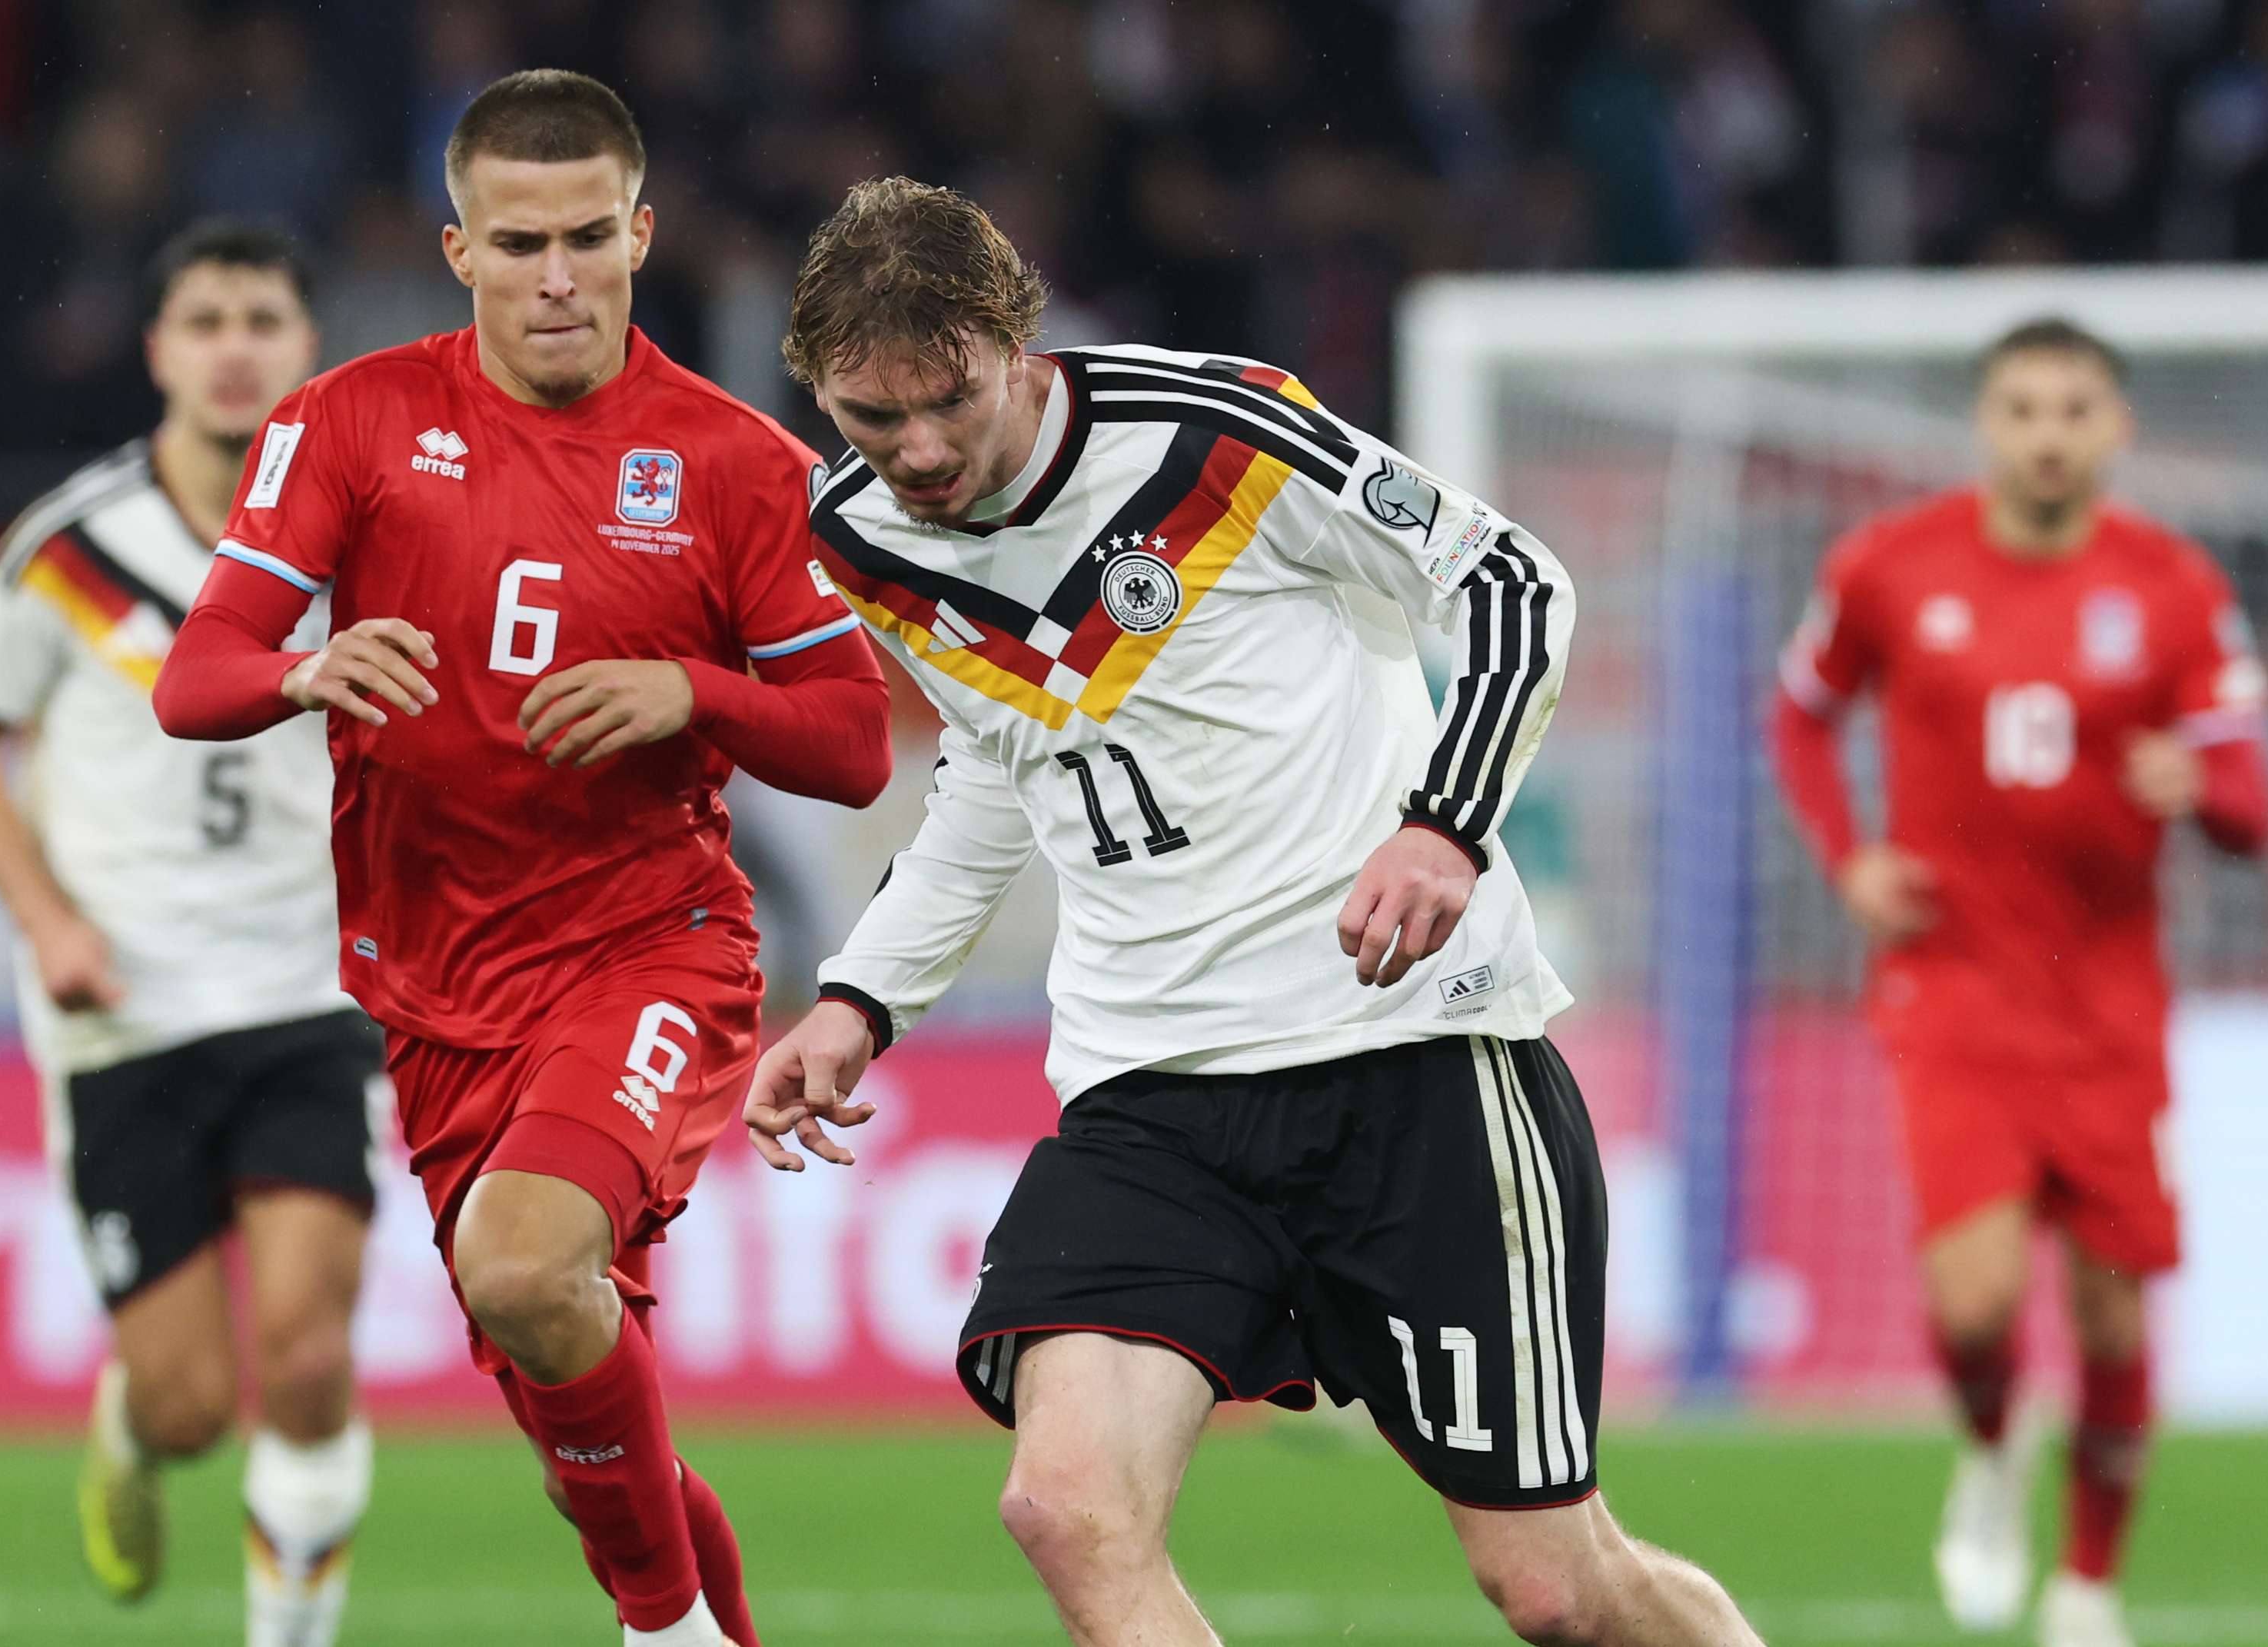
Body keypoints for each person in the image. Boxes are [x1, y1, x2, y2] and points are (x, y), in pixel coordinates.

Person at [745, 177, 1762, 1647]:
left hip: (1410, 1057)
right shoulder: (866, 533)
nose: (917, 451)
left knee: (1554, 1588)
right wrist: (860, 997)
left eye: (945, 402)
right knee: (1067, 1506)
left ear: (1016, 343)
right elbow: (996, 759)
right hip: (1149, 1088)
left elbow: (1514, 583)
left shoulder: (1217, 432)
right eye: (867, 418)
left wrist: (1445, 826)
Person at [151, 72, 892, 1647]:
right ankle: (695, 1619)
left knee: (518, 1265)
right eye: (516, 242)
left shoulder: (732, 462)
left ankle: (660, 1631)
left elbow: (849, 741)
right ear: (457, 251)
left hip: (651, 952)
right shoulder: (346, 422)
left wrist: (689, 689)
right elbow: (194, 676)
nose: (555, 276)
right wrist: (301, 669)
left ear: (640, 232)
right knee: (579, 1412)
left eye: (583, 238)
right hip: (433, 994)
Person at [1767, 319, 2268, 1647]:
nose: (2047, 433)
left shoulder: (2172, 585)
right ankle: (1992, 1453)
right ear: (1986, 425)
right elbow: (1800, 712)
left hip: (2110, 1004)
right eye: (2022, 408)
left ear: (2116, 428)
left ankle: (2090, 1585)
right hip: (1956, 988)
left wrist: (2202, 789)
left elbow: (2253, 803)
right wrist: (1849, 858)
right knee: (1975, 1299)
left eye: (2074, 409)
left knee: (2114, 1314)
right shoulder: (1889, 565)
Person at [0, 219, 376, 1647]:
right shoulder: (72, 545)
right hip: (124, 1006)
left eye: (263, 319)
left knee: (305, 1356)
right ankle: (134, 1417)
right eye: (206, 321)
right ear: (159, 351)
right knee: (190, 1407)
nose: (236, 346)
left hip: (310, 991)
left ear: (308, 350)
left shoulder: (371, 538)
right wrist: (46, 919)